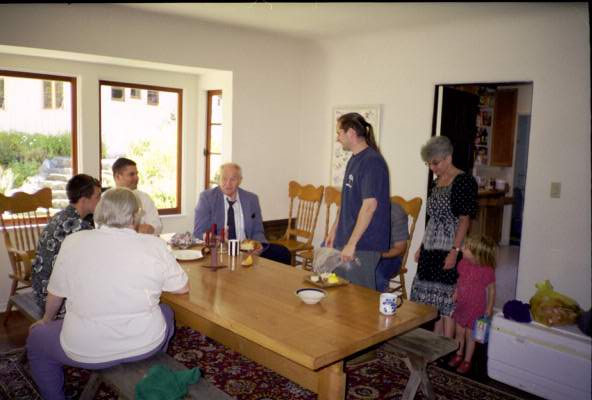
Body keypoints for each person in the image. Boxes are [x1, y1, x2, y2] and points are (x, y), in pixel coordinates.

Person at [26, 188, 189, 400]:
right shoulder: (154, 244)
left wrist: (47, 320)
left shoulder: (74, 241)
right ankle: (152, 372)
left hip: (86, 347)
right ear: (135, 215)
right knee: (166, 311)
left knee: (37, 338)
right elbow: (182, 287)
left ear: (100, 211)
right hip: (144, 343)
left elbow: (55, 294)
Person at [410, 135, 478, 338]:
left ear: (448, 158)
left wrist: (454, 251)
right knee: (432, 302)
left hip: (449, 245)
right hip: (430, 245)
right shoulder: (436, 182)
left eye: (435, 163)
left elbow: (464, 220)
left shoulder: (464, 181)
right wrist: (421, 246)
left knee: (446, 301)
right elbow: (432, 219)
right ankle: (434, 342)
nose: (432, 168)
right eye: (429, 164)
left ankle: (447, 346)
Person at [326, 112, 390, 290]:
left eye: (339, 133)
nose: (337, 138)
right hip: (347, 241)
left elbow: (369, 206)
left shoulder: (372, 162)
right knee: (340, 294)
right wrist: (334, 229)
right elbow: (346, 200)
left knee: (360, 300)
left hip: (363, 245)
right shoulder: (354, 159)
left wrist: (352, 244)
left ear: (351, 133)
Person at [193, 163, 292, 265]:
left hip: (245, 248)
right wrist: (218, 238)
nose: (228, 183)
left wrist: (258, 246)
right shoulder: (207, 198)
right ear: (219, 179)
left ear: (240, 180)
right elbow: (198, 232)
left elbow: (258, 231)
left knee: (283, 253)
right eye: (224, 178)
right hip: (221, 250)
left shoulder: (251, 199)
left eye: (233, 179)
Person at [31, 174, 102, 317]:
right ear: (84, 200)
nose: (101, 201)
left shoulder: (60, 216)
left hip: (41, 293)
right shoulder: (79, 227)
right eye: (98, 197)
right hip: (55, 303)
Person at [448, 235, 496, 374]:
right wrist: (456, 291)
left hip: (476, 308)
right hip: (462, 305)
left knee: (470, 336)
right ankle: (458, 354)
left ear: (476, 253)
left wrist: (490, 307)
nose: (462, 248)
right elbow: (459, 280)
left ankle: (467, 360)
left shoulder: (487, 270)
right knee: (459, 333)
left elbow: (491, 290)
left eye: (466, 247)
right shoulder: (462, 263)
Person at [112, 157, 162, 235]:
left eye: (137, 174)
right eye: (131, 174)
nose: (137, 178)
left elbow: (157, 225)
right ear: (117, 177)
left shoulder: (144, 198)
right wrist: (134, 229)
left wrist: (151, 229)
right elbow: (101, 227)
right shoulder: (105, 200)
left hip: (143, 241)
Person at [375, 201, 409, 292]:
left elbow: (400, 248)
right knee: (343, 266)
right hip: (366, 254)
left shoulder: (395, 211)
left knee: (375, 272)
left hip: (391, 257)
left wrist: (376, 255)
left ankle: (378, 300)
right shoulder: (361, 208)